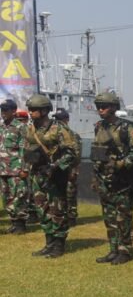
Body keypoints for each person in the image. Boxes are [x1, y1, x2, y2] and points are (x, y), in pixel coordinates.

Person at [22, 94, 79, 257]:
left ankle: (59, 245)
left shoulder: (59, 129)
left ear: (45, 110)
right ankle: (49, 243)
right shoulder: (31, 128)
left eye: (34, 109)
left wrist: (55, 166)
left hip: (54, 175)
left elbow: (71, 153)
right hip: (37, 174)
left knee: (57, 210)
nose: (31, 112)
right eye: (30, 109)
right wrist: (26, 168)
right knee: (42, 209)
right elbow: (27, 150)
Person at [90, 91, 133, 265]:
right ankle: (113, 249)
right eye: (98, 107)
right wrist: (96, 176)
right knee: (109, 217)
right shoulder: (99, 126)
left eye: (104, 106)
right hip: (104, 179)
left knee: (123, 217)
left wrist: (120, 164)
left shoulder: (127, 127)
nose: (100, 110)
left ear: (113, 107)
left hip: (122, 181)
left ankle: (125, 250)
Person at [0, 99, 30, 234]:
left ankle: (20, 224)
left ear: (13, 111)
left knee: (18, 195)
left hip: (16, 169)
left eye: (6, 110)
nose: (3, 113)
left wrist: (25, 169)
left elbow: (25, 149)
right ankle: (13, 222)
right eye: (2, 110)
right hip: (2, 169)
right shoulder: (1, 127)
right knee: (6, 196)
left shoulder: (21, 127)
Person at [53, 108, 81, 227]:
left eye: (60, 119)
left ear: (67, 120)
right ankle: (60, 215)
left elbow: (77, 154)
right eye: (56, 119)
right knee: (58, 194)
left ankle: (71, 217)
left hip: (70, 168)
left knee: (70, 193)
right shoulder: (54, 133)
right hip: (58, 168)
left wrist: (74, 170)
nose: (58, 122)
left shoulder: (73, 135)